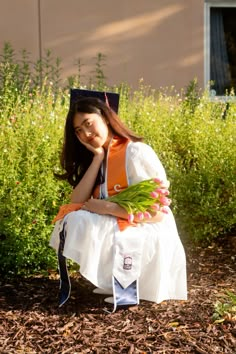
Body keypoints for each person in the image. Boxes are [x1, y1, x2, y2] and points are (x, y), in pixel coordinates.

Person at [50, 89, 187, 311]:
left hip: (149, 230)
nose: (86, 133)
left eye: (88, 123)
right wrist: (97, 159)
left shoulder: (135, 153)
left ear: (105, 117)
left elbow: (157, 212)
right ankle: (110, 280)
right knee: (72, 219)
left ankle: (129, 285)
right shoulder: (100, 159)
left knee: (81, 220)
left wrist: (107, 207)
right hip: (121, 224)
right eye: (79, 130)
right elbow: (73, 204)